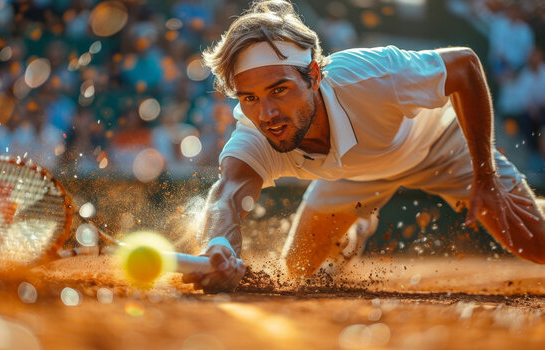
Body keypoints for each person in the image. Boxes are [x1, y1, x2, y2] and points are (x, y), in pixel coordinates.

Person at [182, 0, 545, 293]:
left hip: (441, 148)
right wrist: (218, 248)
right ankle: (355, 227)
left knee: (536, 245)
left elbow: (465, 64)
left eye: (280, 89)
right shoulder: (255, 132)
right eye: (250, 97)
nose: (267, 113)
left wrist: (485, 173)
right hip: (351, 178)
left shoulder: (373, 74)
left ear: (315, 76)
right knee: (299, 270)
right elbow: (226, 195)